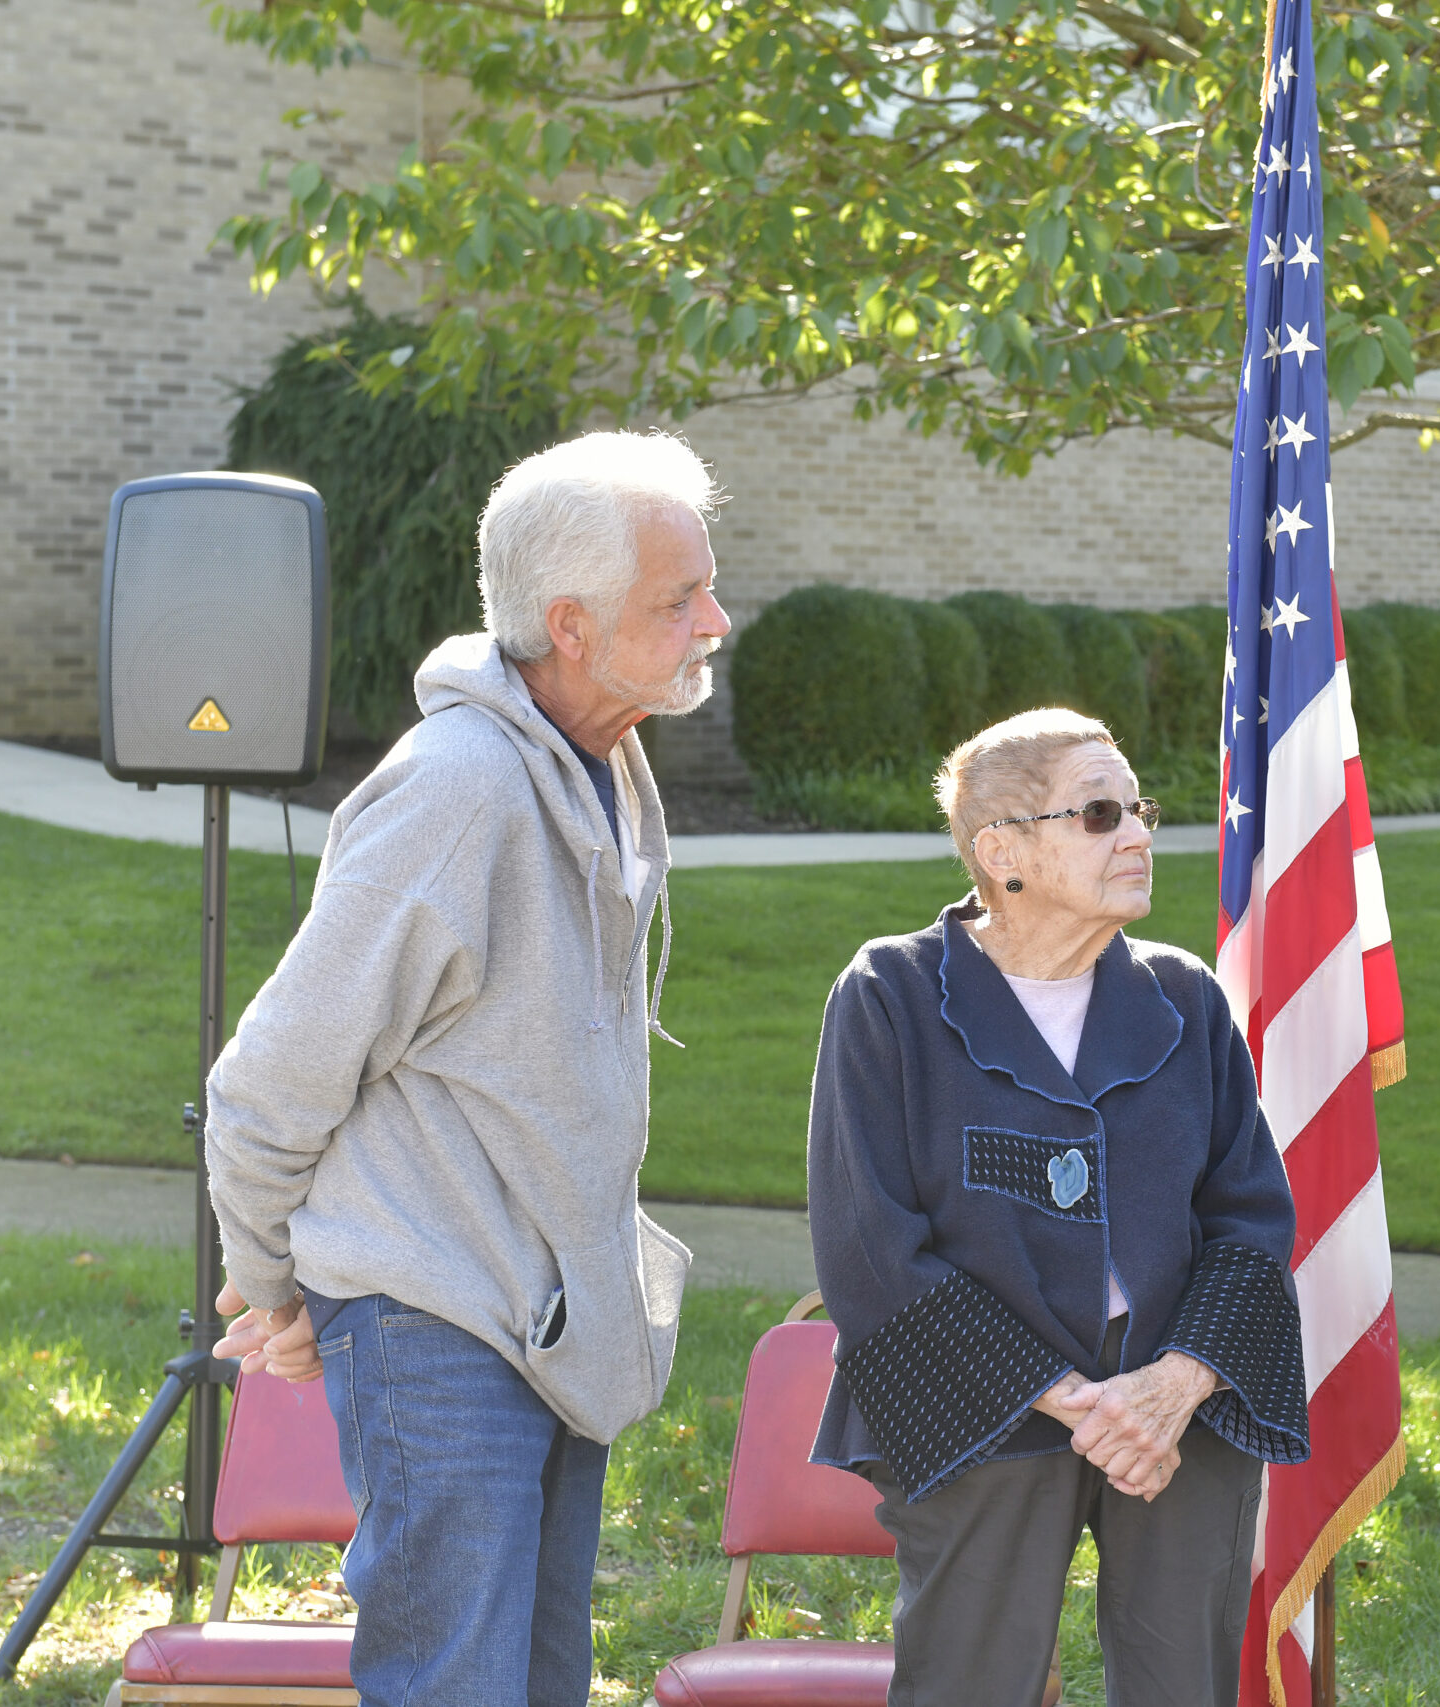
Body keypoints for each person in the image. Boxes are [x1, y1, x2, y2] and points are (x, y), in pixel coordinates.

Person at [202, 429, 730, 1705]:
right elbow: (268, 1080)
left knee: (536, 1686)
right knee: (459, 1686)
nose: (718, 619)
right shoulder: (461, 790)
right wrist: (273, 1286)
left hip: (543, 1323)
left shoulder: (597, 762)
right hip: (437, 1322)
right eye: (681, 599)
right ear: (572, 625)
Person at [805, 707, 1309, 1707]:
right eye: (1096, 814)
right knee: (967, 1686)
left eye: (1138, 810)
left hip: (1175, 1417)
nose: (1135, 836)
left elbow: (1251, 1224)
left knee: (1183, 1687)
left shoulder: (1185, 999)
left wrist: (1167, 1390)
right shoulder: (890, 994)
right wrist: (1073, 1399)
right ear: (1003, 854)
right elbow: (871, 1248)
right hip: (976, 1407)